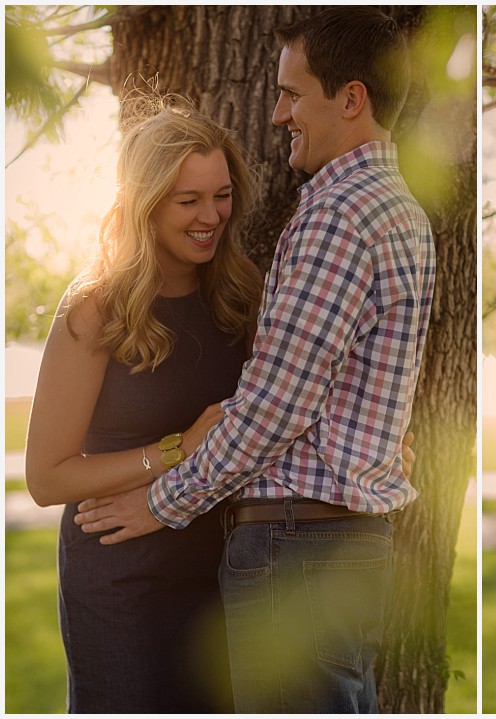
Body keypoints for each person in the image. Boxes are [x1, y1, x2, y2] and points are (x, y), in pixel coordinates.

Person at [73, 7, 436, 714]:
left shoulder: (339, 213)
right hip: (338, 543)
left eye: (293, 94)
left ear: (352, 98)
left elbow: (277, 407)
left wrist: (160, 503)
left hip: (298, 545)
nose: (278, 114)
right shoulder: (399, 209)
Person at [25, 92, 264, 712]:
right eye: (188, 200)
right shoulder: (95, 310)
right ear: (145, 205)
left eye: (222, 194)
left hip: (223, 575)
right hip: (119, 584)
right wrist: (176, 449)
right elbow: (47, 477)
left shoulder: (243, 296)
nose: (211, 215)